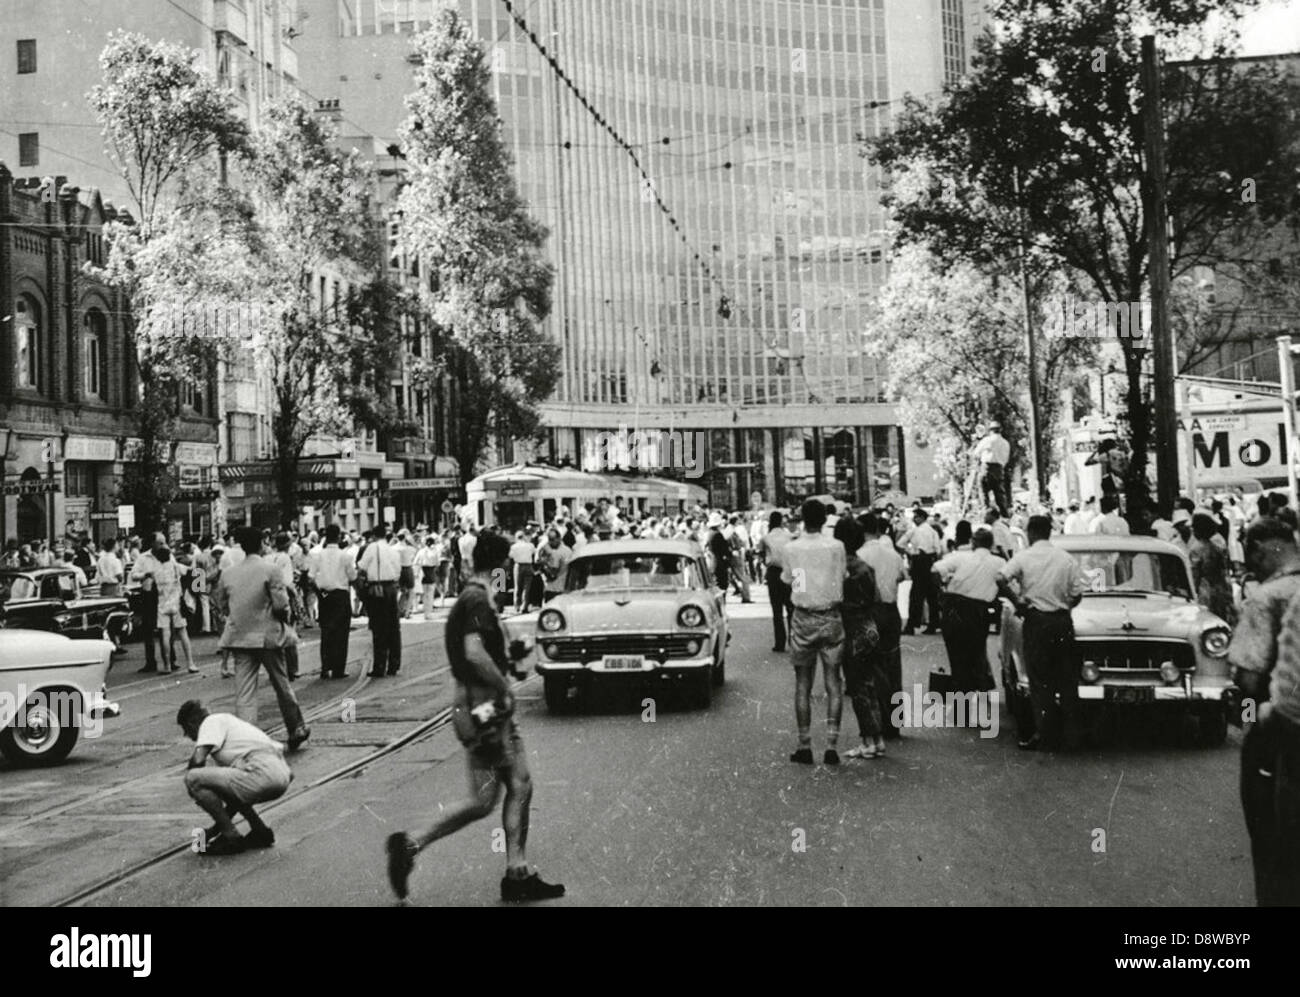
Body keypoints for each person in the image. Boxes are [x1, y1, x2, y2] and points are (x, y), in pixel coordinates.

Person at [385, 530, 565, 904]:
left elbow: (483, 649)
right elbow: (473, 652)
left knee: (490, 797)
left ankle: (413, 846)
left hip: (473, 707)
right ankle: (515, 872)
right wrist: (503, 686)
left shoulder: (473, 599)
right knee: (517, 785)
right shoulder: (477, 600)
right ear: (500, 566)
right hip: (485, 707)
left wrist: (510, 653)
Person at [1229, 517, 1300, 905]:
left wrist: (1248, 726)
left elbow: (1249, 682)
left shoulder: (1266, 598)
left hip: (1280, 735)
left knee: (1273, 844)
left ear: (1259, 549)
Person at [213, 526, 310, 749]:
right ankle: (296, 728)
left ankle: (247, 739)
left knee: (244, 692)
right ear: (260, 544)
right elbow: (281, 604)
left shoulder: (228, 573)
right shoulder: (271, 569)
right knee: (281, 683)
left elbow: (222, 604)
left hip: (240, 637)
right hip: (267, 637)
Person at [997, 515, 1088, 751]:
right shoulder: (1065, 559)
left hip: (1036, 621)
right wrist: (1065, 605)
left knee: (1040, 680)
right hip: (1061, 621)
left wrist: (1018, 602)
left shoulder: (1024, 557)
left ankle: (1047, 734)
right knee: (1067, 679)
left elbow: (1000, 578)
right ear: (1048, 532)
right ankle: (1073, 736)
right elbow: (1077, 593)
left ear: (1031, 532)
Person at [177, 699, 292, 856]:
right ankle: (260, 830)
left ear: (191, 723)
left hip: (261, 773)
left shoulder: (210, 722)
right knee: (227, 788)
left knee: (192, 778)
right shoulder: (231, 724)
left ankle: (231, 838)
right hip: (281, 773)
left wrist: (196, 793)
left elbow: (197, 761)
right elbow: (233, 798)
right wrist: (215, 829)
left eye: (185, 730)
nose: (188, 736)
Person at [781, 498, 846, 766]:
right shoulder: (836, 546)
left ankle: (804, 744)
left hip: (804, 617)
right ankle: (831, 745)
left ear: (801, 519)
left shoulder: (792, 548)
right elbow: (842, 576)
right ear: (824, 519)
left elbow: (792, 580)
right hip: (831, 616)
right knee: (834, 683)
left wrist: (806, 584)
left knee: (803, 684)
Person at [835, 517, 887, 760]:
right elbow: (876, 597)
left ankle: (867, 741)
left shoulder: (841, 568)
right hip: (870, 626)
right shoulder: (866, 567)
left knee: (857, 687)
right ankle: (877, 739)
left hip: (852, 628)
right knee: (869, 684)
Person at [933, 527, 1002, 694]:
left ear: (973, 543)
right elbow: (1005, 583)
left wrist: (941, 591)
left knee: (958, 661)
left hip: (954, 608)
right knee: (977, 656)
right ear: (991, 544)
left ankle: (960, 713)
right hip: (978, 612)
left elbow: (935, 569)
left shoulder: (960, 557)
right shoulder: (999, 562)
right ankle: (982, 709)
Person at [859, 514, 906, 739]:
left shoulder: (860, 555)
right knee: (892, 666)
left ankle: (877, 722)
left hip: (870, 612)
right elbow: (901, 577)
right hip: (891, 610)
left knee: (870, 667)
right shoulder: (893, 555)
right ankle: (894, 722)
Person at [310, 524, 358, 679]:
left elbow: (311, 578)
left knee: (326, 632)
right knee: (341, 633)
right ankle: (339, 668)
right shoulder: (345, 556)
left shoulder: (317, 555)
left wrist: (320, 595)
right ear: (338, 537)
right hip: (340, 596)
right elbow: (352, 577)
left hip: (325, 596)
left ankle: (325, 667)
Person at [358, 529, 403, 677]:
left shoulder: (372, 547)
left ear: (374, 536)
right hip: (391, 588)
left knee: (379, 627)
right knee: (393, 626)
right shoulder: (392, 550)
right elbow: (398, 570)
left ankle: (380, 665)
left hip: (377, 589)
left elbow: (362, 566)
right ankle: (394, 664)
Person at [1189, 512, 1238, 626]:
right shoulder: (1216, 548)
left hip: (1205, 589)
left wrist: (1193, 592)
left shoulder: (1196, 549)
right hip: (1220, 588)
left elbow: (1195, 574)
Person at [903, 508, 943, 636]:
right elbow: (938, 549)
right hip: (931, 561)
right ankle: (933, 623)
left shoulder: (916, 531)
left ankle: (912, 624)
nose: (914, 519)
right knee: (932, 595)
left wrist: (910, 553)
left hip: (919, 561)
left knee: (916, 595)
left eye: (915, 517)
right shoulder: (932, 531)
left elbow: (901, 543)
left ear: (921, 517)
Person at [759, 511, 794, 652]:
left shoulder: (766, 538)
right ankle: (794, 640)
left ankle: (780, 643)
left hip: (773, 573)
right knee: (792, 608)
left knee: (777, 610)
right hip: (789, 571)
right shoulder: (789, 536)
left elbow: (761, 553)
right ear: (781, 522)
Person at [974, 422, 1011, 515]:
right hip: (999, 469)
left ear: (990, 430)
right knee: (1000, 496)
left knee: (983, 493)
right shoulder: (1005, 443)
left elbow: (976, 453)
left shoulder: (987, 440)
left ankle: (985, 513)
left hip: (986, 468)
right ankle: (1004, 515)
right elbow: (1005, 459)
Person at [536, 528, 571, 602]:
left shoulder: (556, 553)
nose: (550, 542)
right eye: (549, 539)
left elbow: (552, 575)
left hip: (553, 589)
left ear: (559, 538)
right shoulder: (568, 550)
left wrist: (543, 564)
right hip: (565, 588)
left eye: (552, 539)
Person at [414, 534, 443, 620]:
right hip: (431, 572)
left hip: (423, 572)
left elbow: (416, 562)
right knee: (430, 594)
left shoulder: (421, 551)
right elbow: (438, 563)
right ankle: (428, 613)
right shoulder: (435, 552)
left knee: (424, 594)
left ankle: (425, 612)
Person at [509, 531, 536, 614]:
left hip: (518, 565)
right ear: (524, 537)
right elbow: (534, 552)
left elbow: (510, 556)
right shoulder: (530, 545)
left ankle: (517, 606)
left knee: (517, 586)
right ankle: (524, 606)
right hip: (528, 566)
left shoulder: (514, 546)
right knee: (526, 587)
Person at [396, 530, 417, 619]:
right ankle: (407, 611)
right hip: (407, 568)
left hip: (397, 569)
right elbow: (415, 549)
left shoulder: (393, 548)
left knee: (400, 591)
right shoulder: (409, 548)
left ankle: (399, 609)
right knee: (411, 591)